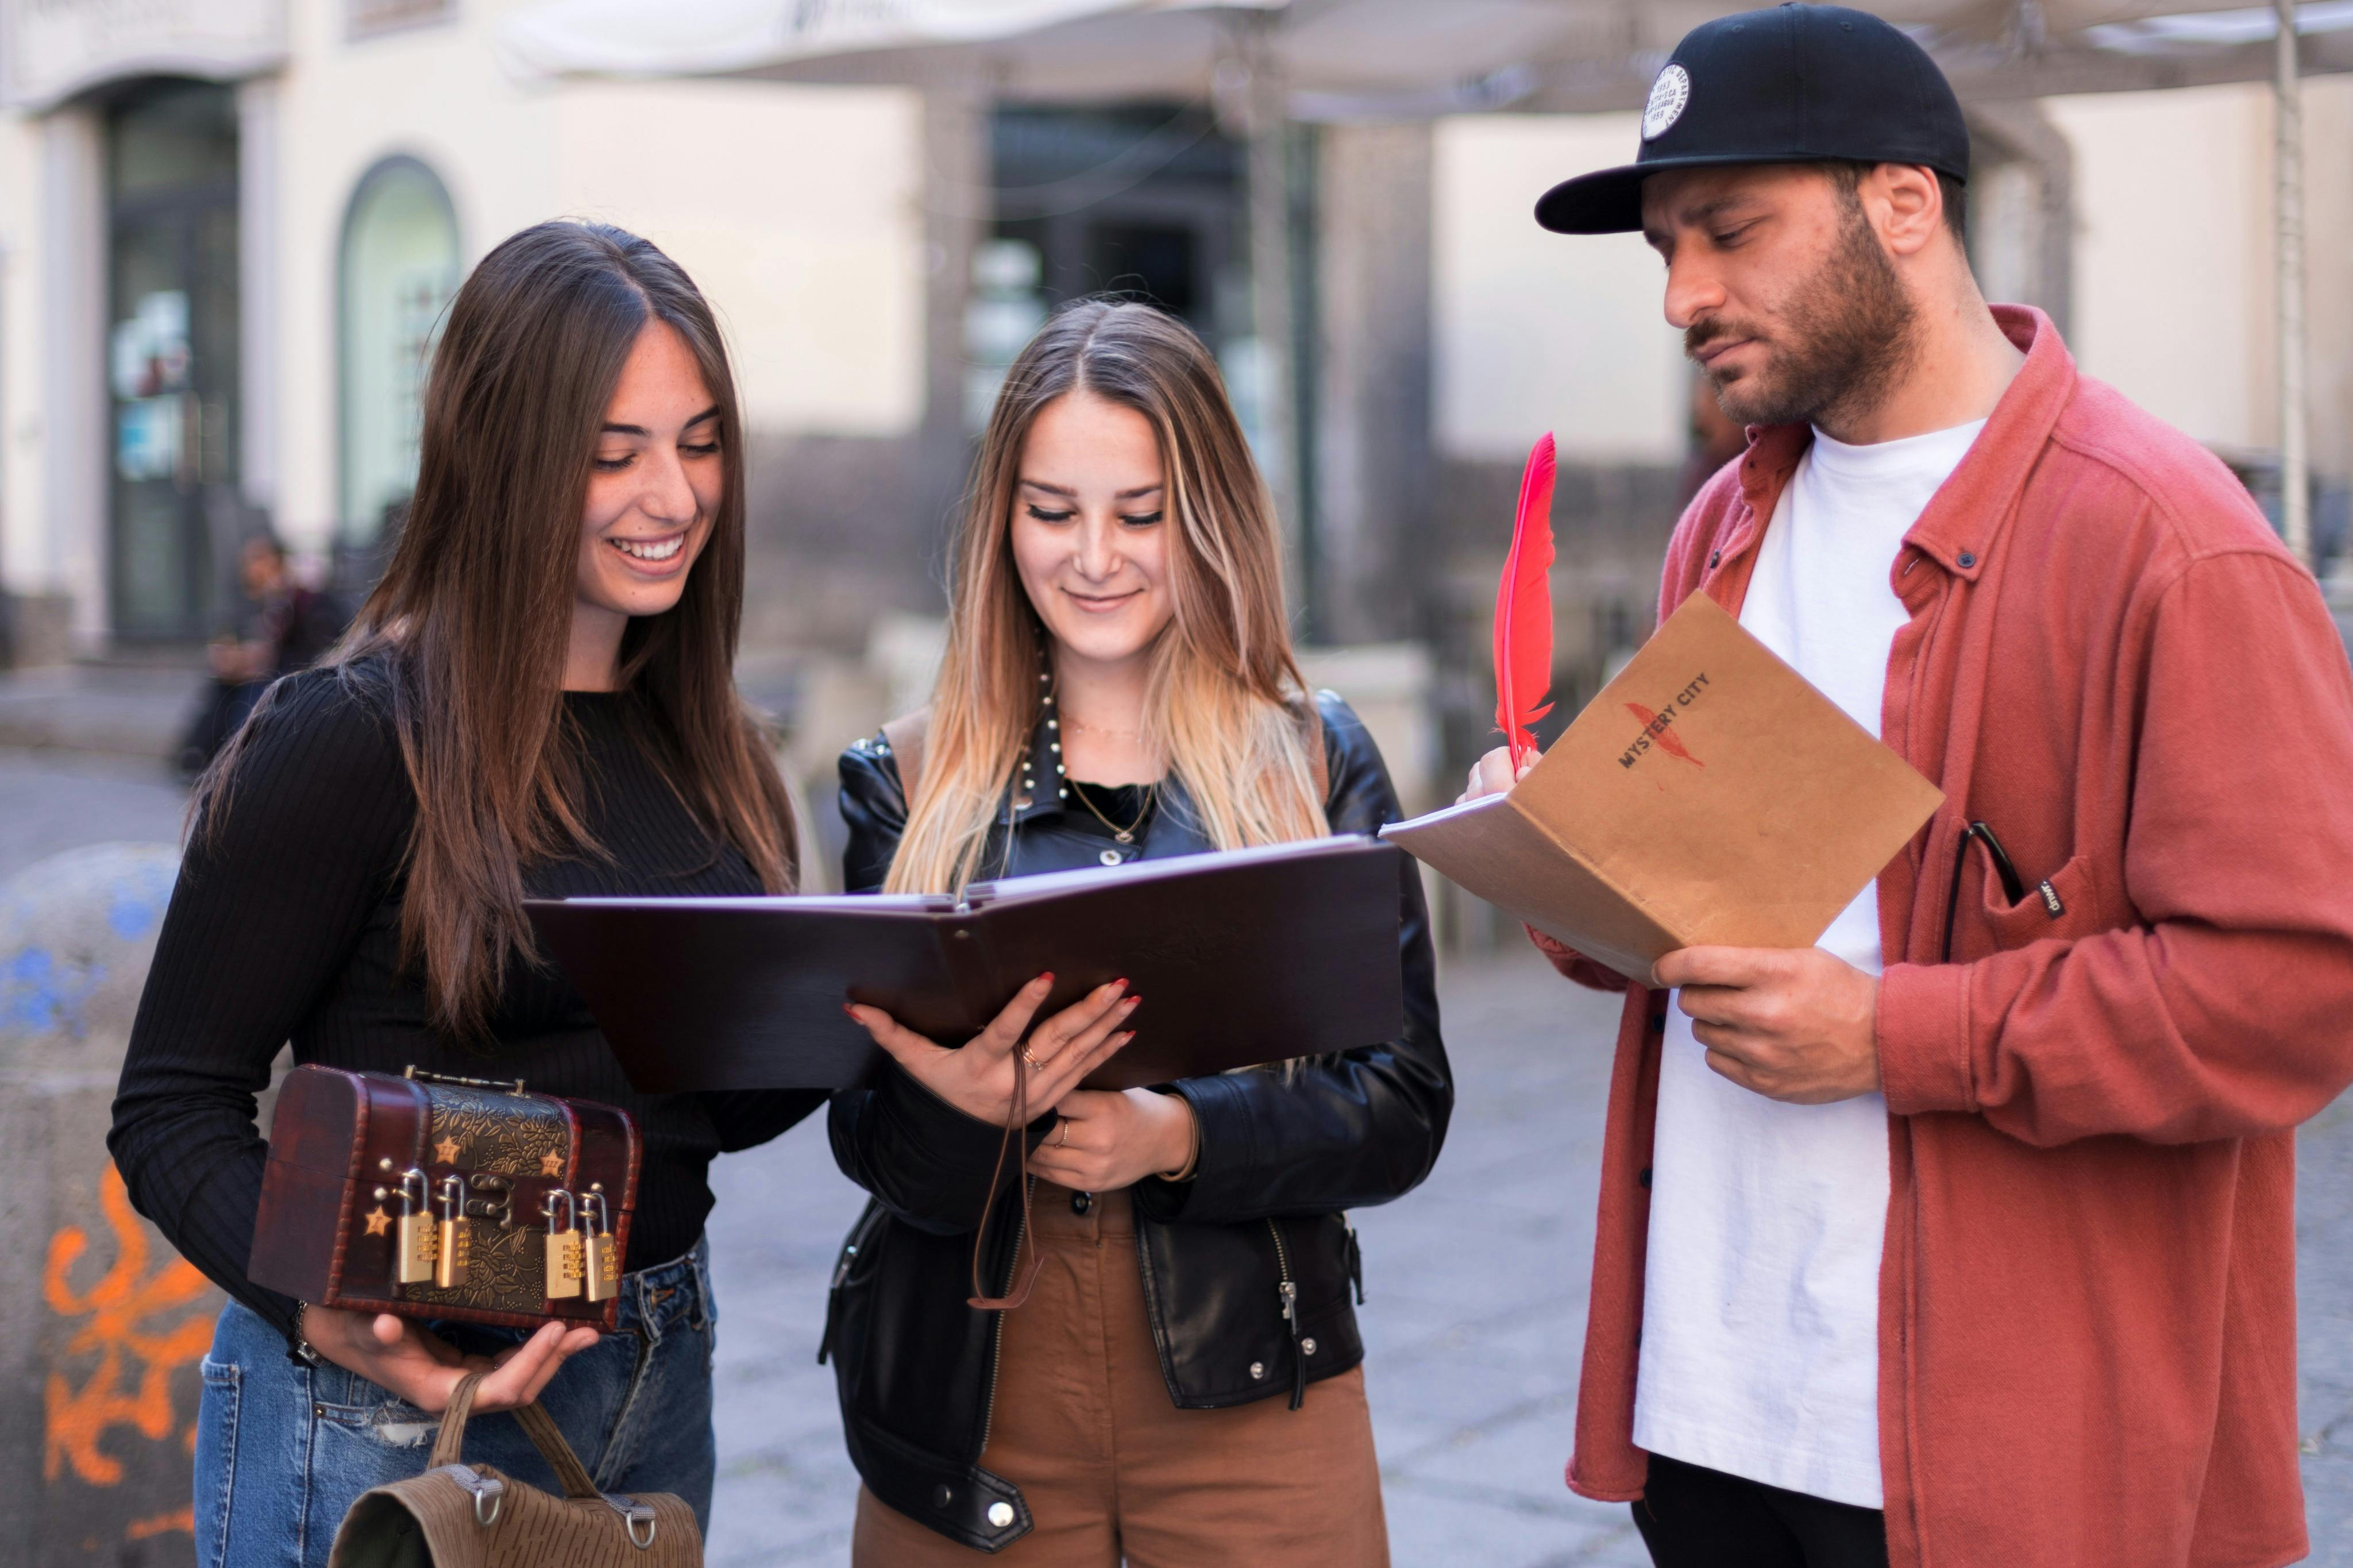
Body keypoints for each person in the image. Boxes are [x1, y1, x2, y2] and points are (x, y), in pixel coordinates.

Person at [1459, 8, 2353, 1567]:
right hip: (1713, 1409)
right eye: (1665, 248)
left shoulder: (2171, 544)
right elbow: (1680, 925)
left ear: (1905, 205)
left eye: (1730, 232)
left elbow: (2292, 992)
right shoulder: (1723, 528)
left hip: (2006, 1457)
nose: (1683, 294)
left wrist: (1893, 1037)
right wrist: (1559, 854)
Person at [109, 220, 825, 1567]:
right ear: (498, 453)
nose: (669, 495)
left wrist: (872, 1024)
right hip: (382, 1408)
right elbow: (169, 1108)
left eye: (699, 442)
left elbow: (698, 1111)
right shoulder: (348, 736)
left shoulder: (717, 749)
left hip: (657, 1370)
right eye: (611, 454)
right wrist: (320, 1307)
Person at [826, 298, 1451, 1564]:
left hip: (1259, 1381)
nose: (1093, 555)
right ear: (1002, 518)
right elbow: (876, 1156)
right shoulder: (905, 778)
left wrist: (1178, 1135)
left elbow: (1403, 1106)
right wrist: (968, 1107)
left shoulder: (1309, 759)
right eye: (1052, 511)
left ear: (1206, 512)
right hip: (975, 1389)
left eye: (1139, 513)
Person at [176, 534, 348, 779]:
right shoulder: (256, 600)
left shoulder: (298, 598)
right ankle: (201, 755)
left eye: (256, 561)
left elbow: (296, 649)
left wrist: (252, 661)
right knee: (221, 687)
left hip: (297, 676)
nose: (250, 569)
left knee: (251, 693)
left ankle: (240, 759)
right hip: (268, 672)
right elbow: (238, 639)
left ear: (275, 562)